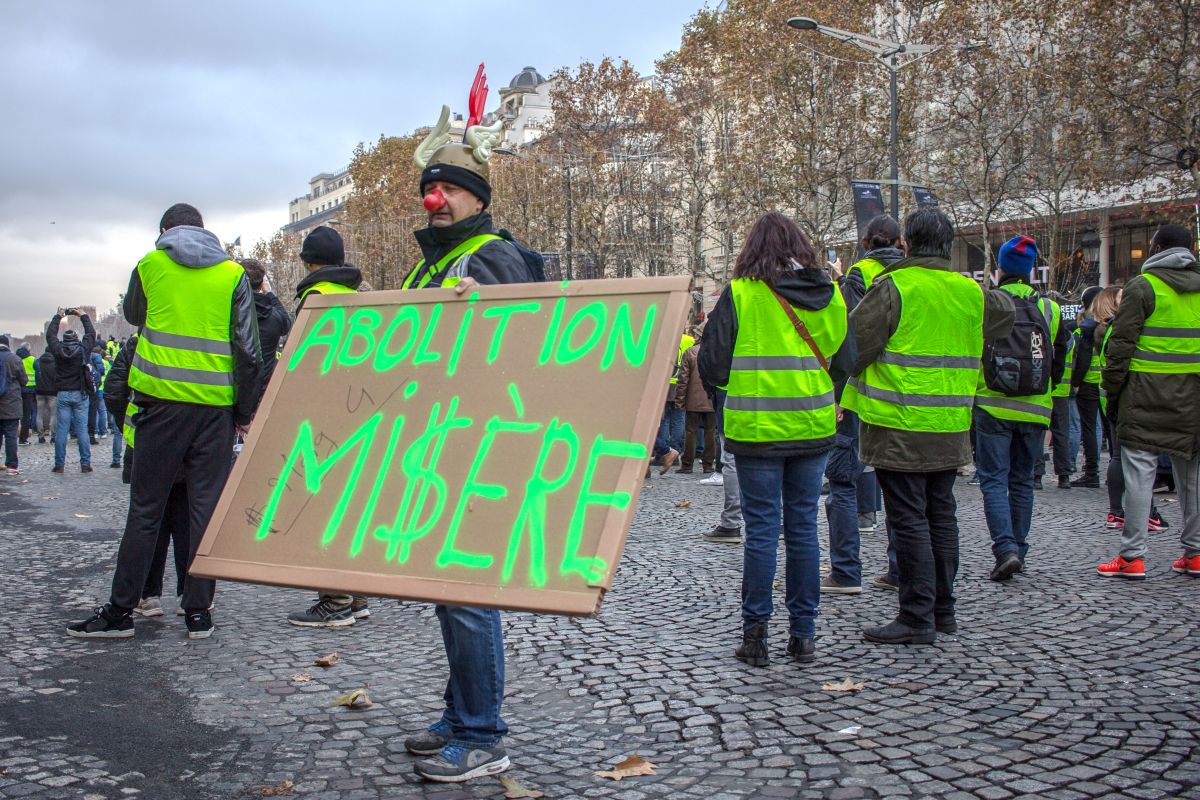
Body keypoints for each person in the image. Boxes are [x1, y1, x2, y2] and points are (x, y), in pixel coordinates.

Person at [399, 103, 533, 783]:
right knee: (449, 593)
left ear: (476, 196)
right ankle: (459, 715)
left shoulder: (495, 258)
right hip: (441, 447)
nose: (437, 198)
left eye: (450, 187)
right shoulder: (436, 264)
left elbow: (527, 352)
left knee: (470, 595)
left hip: (482, 451)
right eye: (433, 187)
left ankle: (483, 733)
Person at [67, 202, 261, 640]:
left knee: (146, 511)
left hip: (159, 405)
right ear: (205, 231)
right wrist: (243, 413)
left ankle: (121, 611)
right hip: (214, 411)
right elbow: (247, 351)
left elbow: (136, 315)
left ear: (163, 231)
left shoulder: (150, 265)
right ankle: (198, 612)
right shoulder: (232, 274)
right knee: (203, 512)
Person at [843, 207, 1013, 644]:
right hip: (951, 424)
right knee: (941, 515)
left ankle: (916, 616)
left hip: (898, 424)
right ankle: (943, 610)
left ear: (906, 244)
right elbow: (1006, 313)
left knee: (909, 520)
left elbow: (854, 348)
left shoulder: (894, 286)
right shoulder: (969, 291)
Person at [699, 211, 853, 667]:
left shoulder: (743, 295)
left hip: (757, 429)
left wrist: (729, 398)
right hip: (813, 427)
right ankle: (804, 635)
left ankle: (755, 635)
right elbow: (847, 358)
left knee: (762, 531)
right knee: (803, 529)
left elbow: (712, 362)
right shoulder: (831, 296)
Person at [1099, 224, 1200, 579]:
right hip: (1193, 396)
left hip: (1144, 395)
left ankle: (1132, 556)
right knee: (1192, 476)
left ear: (1156, 247)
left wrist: (1112, 390)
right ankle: (1195, 552)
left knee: (1139, 474)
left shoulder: (1143, 287)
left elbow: (1120, 347)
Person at [286, 226, 371, 629]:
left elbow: (300, 361)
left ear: (308, 262)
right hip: (362, 411)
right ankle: (357, 596)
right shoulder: (363, 296)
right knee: (351, 503)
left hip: (324, 415)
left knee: (324, 507)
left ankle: (334, 600)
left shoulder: (314, 300)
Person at [972, 236, 1068, 581]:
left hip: (992, 406)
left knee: (994, 480)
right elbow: (1059, 359)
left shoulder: (987, 304)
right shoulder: (1050, 309)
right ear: (1030, 272)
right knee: (1023, 481)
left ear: (999, 270)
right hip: (1035, 409)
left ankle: (1005, 549)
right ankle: (1020, 551)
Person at [823, 214, 904, 594]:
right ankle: (899, 569)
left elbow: (849, 339)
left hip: (860, 396)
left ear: (866, 242)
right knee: (900, 489)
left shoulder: (860, 274)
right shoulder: (911, 275)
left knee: (841, 481)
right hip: (907, 396)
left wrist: (838, 395)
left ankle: (845, 571)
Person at [45, 308, 97, 472]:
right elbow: (91, 333)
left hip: (63, 392)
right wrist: (82, 315)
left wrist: (58, 317)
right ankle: (85, 464)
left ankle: (59, 464)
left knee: (62, 430)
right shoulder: (82, 350)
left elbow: (50, 336)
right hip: (80, 392)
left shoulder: (58, 350)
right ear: (76, 339)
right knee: (82, 430)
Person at [239, 258, 292, 403]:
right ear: (262, 282)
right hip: (264, 395)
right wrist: (269, 293)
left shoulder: (234, 314)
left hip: (235, 395)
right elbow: (287, 322)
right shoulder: (274, 317)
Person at [1071, 286, 1106, 487]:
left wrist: (1076, 382)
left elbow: (1082, 359)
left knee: (1089, 427)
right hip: (1105, 383)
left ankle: (1091, 472)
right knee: (1104, 428)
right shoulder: (1108, 323)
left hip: (1088, 385)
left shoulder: (1086, 328)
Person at [675, 326, 718, 474]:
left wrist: (680, 400)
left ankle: (687, 465)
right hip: (712, 399)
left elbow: (683, 379)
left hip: (693, 400)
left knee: (690, 432)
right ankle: (708, 465)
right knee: (710, 432)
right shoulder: (716, 352)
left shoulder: (690, 352)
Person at [0, 336, 27, 475]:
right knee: (11, 435)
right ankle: (11, 466)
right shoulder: (15, 359)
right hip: (11, 403)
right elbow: (24, 380)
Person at [33, 348, 56, 443]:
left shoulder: (37, 362)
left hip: (39, 391)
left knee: (40, 414)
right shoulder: (55, 363)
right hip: (52, 392)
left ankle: (40, 436)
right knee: (54, 414)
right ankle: (53, 435)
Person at [16, 345, 36, 446]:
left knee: (15, 414)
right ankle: (23, 438)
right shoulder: (32, 359)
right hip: (30, 390)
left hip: (17, 390)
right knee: (26, 415)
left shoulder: (16, 359)